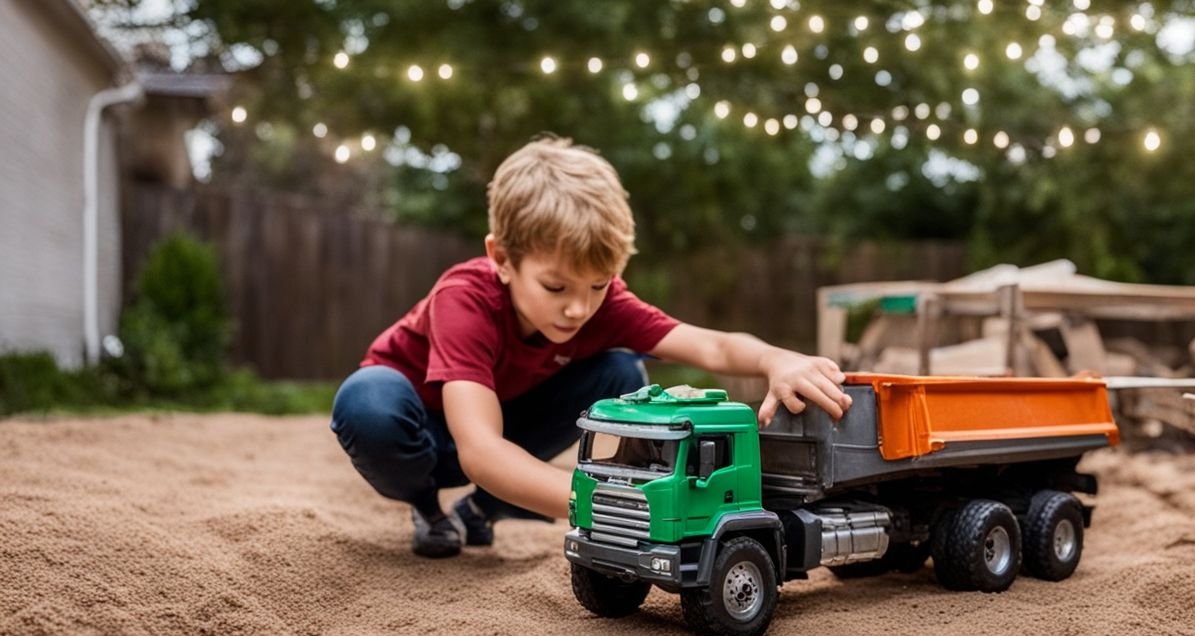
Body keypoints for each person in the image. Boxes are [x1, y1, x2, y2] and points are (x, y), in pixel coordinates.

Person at [330, 136, 852, 558]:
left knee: (622, 375)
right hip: (425, 430)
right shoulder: (464, 299)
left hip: (510, 423)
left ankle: (481, 511)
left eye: (598, 285)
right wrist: (611, 503)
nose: (579, 308)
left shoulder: (601, 307)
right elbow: (481, 451)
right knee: (366, 400)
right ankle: (429, 509)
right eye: (556, 288)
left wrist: (775, 359)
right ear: (503, 259)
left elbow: (711, 346)